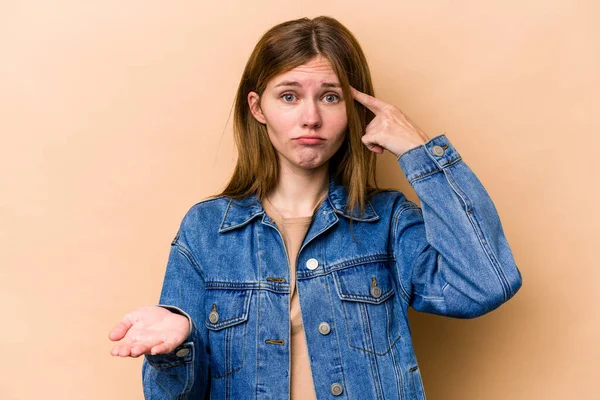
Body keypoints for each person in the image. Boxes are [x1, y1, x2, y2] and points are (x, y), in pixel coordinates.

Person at [108, 15, 523, 400]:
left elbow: (483, 285)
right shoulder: (205, 230)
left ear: (354, 109)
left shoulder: (388, 222)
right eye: (289, 96)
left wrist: (418, 152)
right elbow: (172, 396)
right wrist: (176, 348)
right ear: (258, 108)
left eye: (330, 97)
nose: (311, 117)